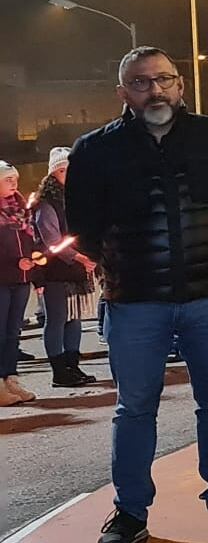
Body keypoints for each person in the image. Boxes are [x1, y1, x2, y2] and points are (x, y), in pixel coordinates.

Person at [66, 47, 208, 543]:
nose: (154, 90)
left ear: (180, 85)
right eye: (139, 82)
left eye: (163, 80)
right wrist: (124, 268)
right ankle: (131, 511)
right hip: (134, 303)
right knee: (134, 408)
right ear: (122, 93)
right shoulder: (93, 151)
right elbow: (83, 228)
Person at [35, 148, 101, 386]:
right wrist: (81, 258)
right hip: (56, 271)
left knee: (74, 319)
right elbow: (53, 241)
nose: (68, 175)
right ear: (53, 174)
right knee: (57, 319)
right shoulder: (46, 205)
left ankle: (73, 366)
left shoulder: (77, 200)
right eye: (63, 170)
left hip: (76, 270)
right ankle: (59, 371)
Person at [0, 162, 37, 406]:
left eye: (15, 178)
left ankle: (10, 377)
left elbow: (30, 239)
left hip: (22, 280)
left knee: (13, 332)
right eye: (7, 179)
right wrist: (15, 262)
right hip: (3, 279)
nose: (14, 183)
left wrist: (33, 258)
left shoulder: (22, 210)